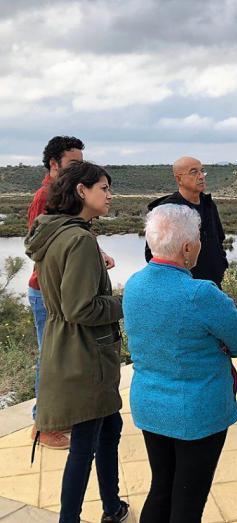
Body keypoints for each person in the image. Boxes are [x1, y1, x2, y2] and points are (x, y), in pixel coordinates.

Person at [123, 204, 237, 523]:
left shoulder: (134, 285)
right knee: (188, 500)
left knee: (162, 488)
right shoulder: (200, 294)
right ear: (186, 248)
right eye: (198, 238)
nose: (200, 244)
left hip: (150, 406)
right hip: (197, 413)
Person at [24, 161, 128, 523]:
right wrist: (125, 301)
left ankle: (112, 506)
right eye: (103, 188)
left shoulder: (52, 231)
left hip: (64, 344)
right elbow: (81, 307)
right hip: (85, 352)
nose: (110, 195)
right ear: (82, 191)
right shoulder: (80, 239)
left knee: (109, 427)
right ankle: (73, 517)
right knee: (85, 442)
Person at [26, 136, 84, 450]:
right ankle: (41, 426)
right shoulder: (44, 195)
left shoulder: (65, 194)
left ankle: (58, 418)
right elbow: (36, 246)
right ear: (54, 164)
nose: (79, 169)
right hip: (46, 291)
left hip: (62, 291)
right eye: (73, 164)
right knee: (49, 360)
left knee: (61, 358)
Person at [145, 156, 228, 287]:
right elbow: (152, 254)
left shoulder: (208, 204)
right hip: (183, 289)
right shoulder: (167, 210)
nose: (201, 176)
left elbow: (219, 240)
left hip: (213, 286)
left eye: (202, 171)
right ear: (179, 179)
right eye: (194, 172)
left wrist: (222, 266)